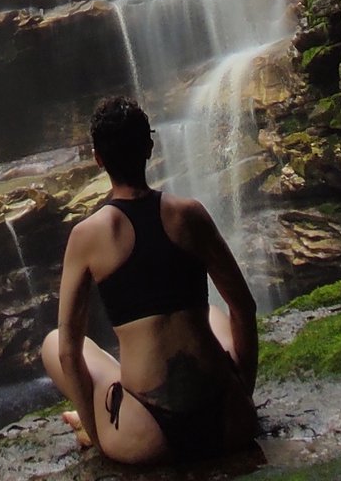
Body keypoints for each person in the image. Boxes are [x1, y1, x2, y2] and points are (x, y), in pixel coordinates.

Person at [40, 96, 260, 464]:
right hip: (228, 422)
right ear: (149, 148)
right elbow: (245, 307)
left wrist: (101, 436)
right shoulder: (189, 214)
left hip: (147, 436)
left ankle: (89, 421)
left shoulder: (88, 234)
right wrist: (242, 395)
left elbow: (68, 352)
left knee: (54, 341)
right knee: (216, 315)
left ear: (98, 159)